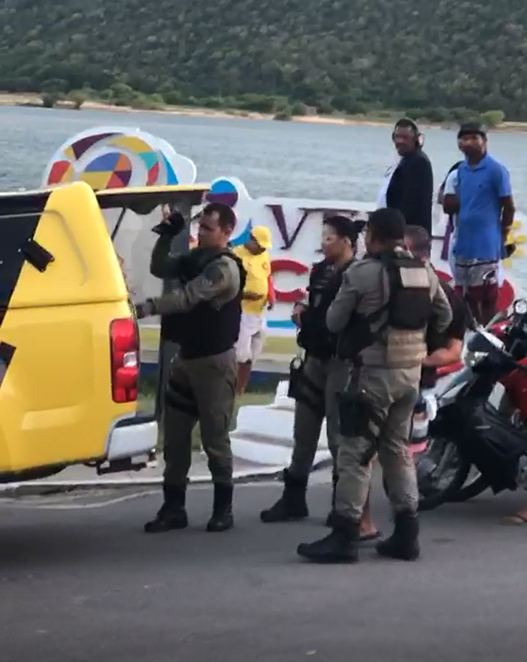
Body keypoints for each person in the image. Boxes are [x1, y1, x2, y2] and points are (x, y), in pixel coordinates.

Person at [296, 208, 452, 564]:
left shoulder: (362, 273)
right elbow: (443, 316)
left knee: (354, 453)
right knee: (397, 450)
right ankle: (407, 534)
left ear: (374, 236)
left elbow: (334, 322)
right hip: (409, 376)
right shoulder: (424, 272)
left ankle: (345, 535)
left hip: (372, 375)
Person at [135, 202, 246, 534]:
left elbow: (187, 297)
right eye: (201, 227)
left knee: (215, 440)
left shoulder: (224, 269)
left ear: (227, 231)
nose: (202, 233)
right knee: (175, 438)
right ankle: (173, 509)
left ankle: (223, 509)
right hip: (186, 358)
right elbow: (159, 267)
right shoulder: (198, 259)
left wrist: (145, 308)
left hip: (214, 364)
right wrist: (167, 235)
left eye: (209, 228)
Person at [260, 216, 362, 529]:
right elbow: (309, 298)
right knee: (303, 431)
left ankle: (342, 507)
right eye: (323, 237)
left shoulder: (358, 275)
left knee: (337, 437)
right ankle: (293, 498)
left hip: (341, 362)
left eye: (329, 238)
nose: (323, 243)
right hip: (313, 358)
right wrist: (301, 309)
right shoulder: (320, 271)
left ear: (346, 241)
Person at [443, 122, 516, 325]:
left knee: (487, 296)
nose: (468, 142)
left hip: (486, 246)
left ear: (484, 141)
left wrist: (502, 237)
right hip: (463, 244)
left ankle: (490, 334)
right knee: (467, 296)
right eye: (463, 138)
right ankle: (474, 333)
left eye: (474, 138)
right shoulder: (461, 171)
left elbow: (509, 207)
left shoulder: (496, 170)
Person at [232, 226, 275, 396]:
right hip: (243, 311)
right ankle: (231, 388)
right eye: (260, 245)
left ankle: (241, 389)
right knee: (241, 354)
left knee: (253, 353)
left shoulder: (264, 256)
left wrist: (271, 295)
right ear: (251, 240)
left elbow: (267, 277)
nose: (263, 249)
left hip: (260, 311)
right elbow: (229, 283)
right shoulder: (236, 255)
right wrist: (243, 294)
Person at [378, 118, 434, 234]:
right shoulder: (405, 160)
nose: (400, 141)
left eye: (405, 137)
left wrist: (396, 229)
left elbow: (411, 203)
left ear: (415, 139)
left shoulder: (418, 162)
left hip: (409, 231)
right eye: (397, 137)